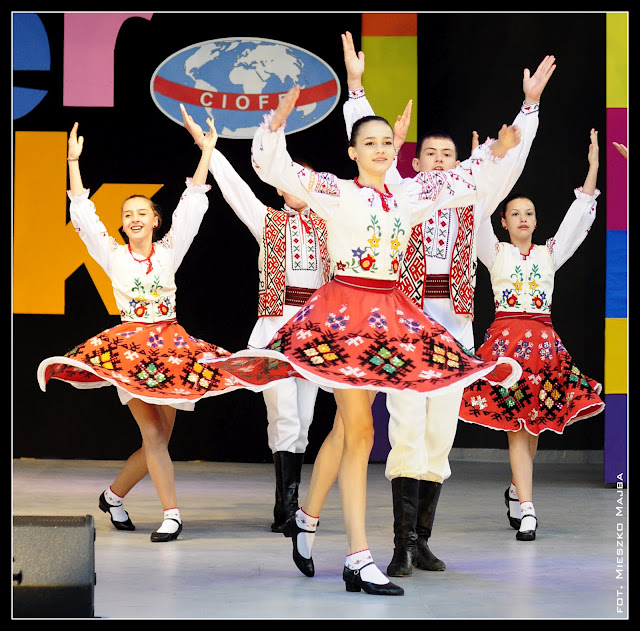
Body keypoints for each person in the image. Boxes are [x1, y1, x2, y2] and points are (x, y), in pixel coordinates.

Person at [206, 79, 523, 595]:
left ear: (396, 151)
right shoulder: (336, 191)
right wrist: (275, 125)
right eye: (369, 142)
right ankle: (358, 557)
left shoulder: (410, 193)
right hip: (344, 316)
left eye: (386, 142)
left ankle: (307, 519)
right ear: (353, 151)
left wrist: (498, 150)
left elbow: (463, 179)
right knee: (361, 433)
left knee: (345, 430)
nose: (379, 148)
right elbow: (274, 168)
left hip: (390, 317)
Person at [340, 31, 555, 576]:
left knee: (440, 435)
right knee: (406, 429)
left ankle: (421, 540)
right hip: (407, 327)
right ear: (414, 161)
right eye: (430, 154)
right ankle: (398, 545)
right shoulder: (400, 192)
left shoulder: (472, 199)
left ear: (460, 163)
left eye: (448, 155)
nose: (439, 162)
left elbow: (509, 161)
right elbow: (370, 148)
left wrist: (529, 107)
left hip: (454, 330)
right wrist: (357, 90)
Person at [36, 118, 296, 542]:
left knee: (159, 442)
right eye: (127, 215)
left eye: (142, 213)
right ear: (122, 225)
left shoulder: (170, 250)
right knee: (154, 434)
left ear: (156, 220)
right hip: (130, 353)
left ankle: (113, 496)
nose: (134, 218)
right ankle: (172, 514)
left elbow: (192, 203)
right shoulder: (112, 254)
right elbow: (83, 214)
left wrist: (206, 152)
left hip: (172, 350)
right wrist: (72, 163)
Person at [180, 103, 332, 534]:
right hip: (275, 329)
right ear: (281, 188)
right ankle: (286, 508)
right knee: (284, 415)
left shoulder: (331, 225)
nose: (297, 185)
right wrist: (209, 150)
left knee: (304, 420)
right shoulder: (269, 221)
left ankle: (290, 502)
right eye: (290, 179)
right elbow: (235, 190)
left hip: (314, 333)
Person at [458, 128, 605, 542]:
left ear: (536, 222)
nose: (523, 218)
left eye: (529, 213)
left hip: (544, 347)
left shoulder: (548, 254)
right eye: (515, 213)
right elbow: (475, 214)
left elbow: (577, 218)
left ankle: (515, 489)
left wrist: (593, 167)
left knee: (533, 426)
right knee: (518, 427)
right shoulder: (494, 252)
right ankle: (527, 508)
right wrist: (480, 166)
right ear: (504, 222)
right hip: (507, 349)